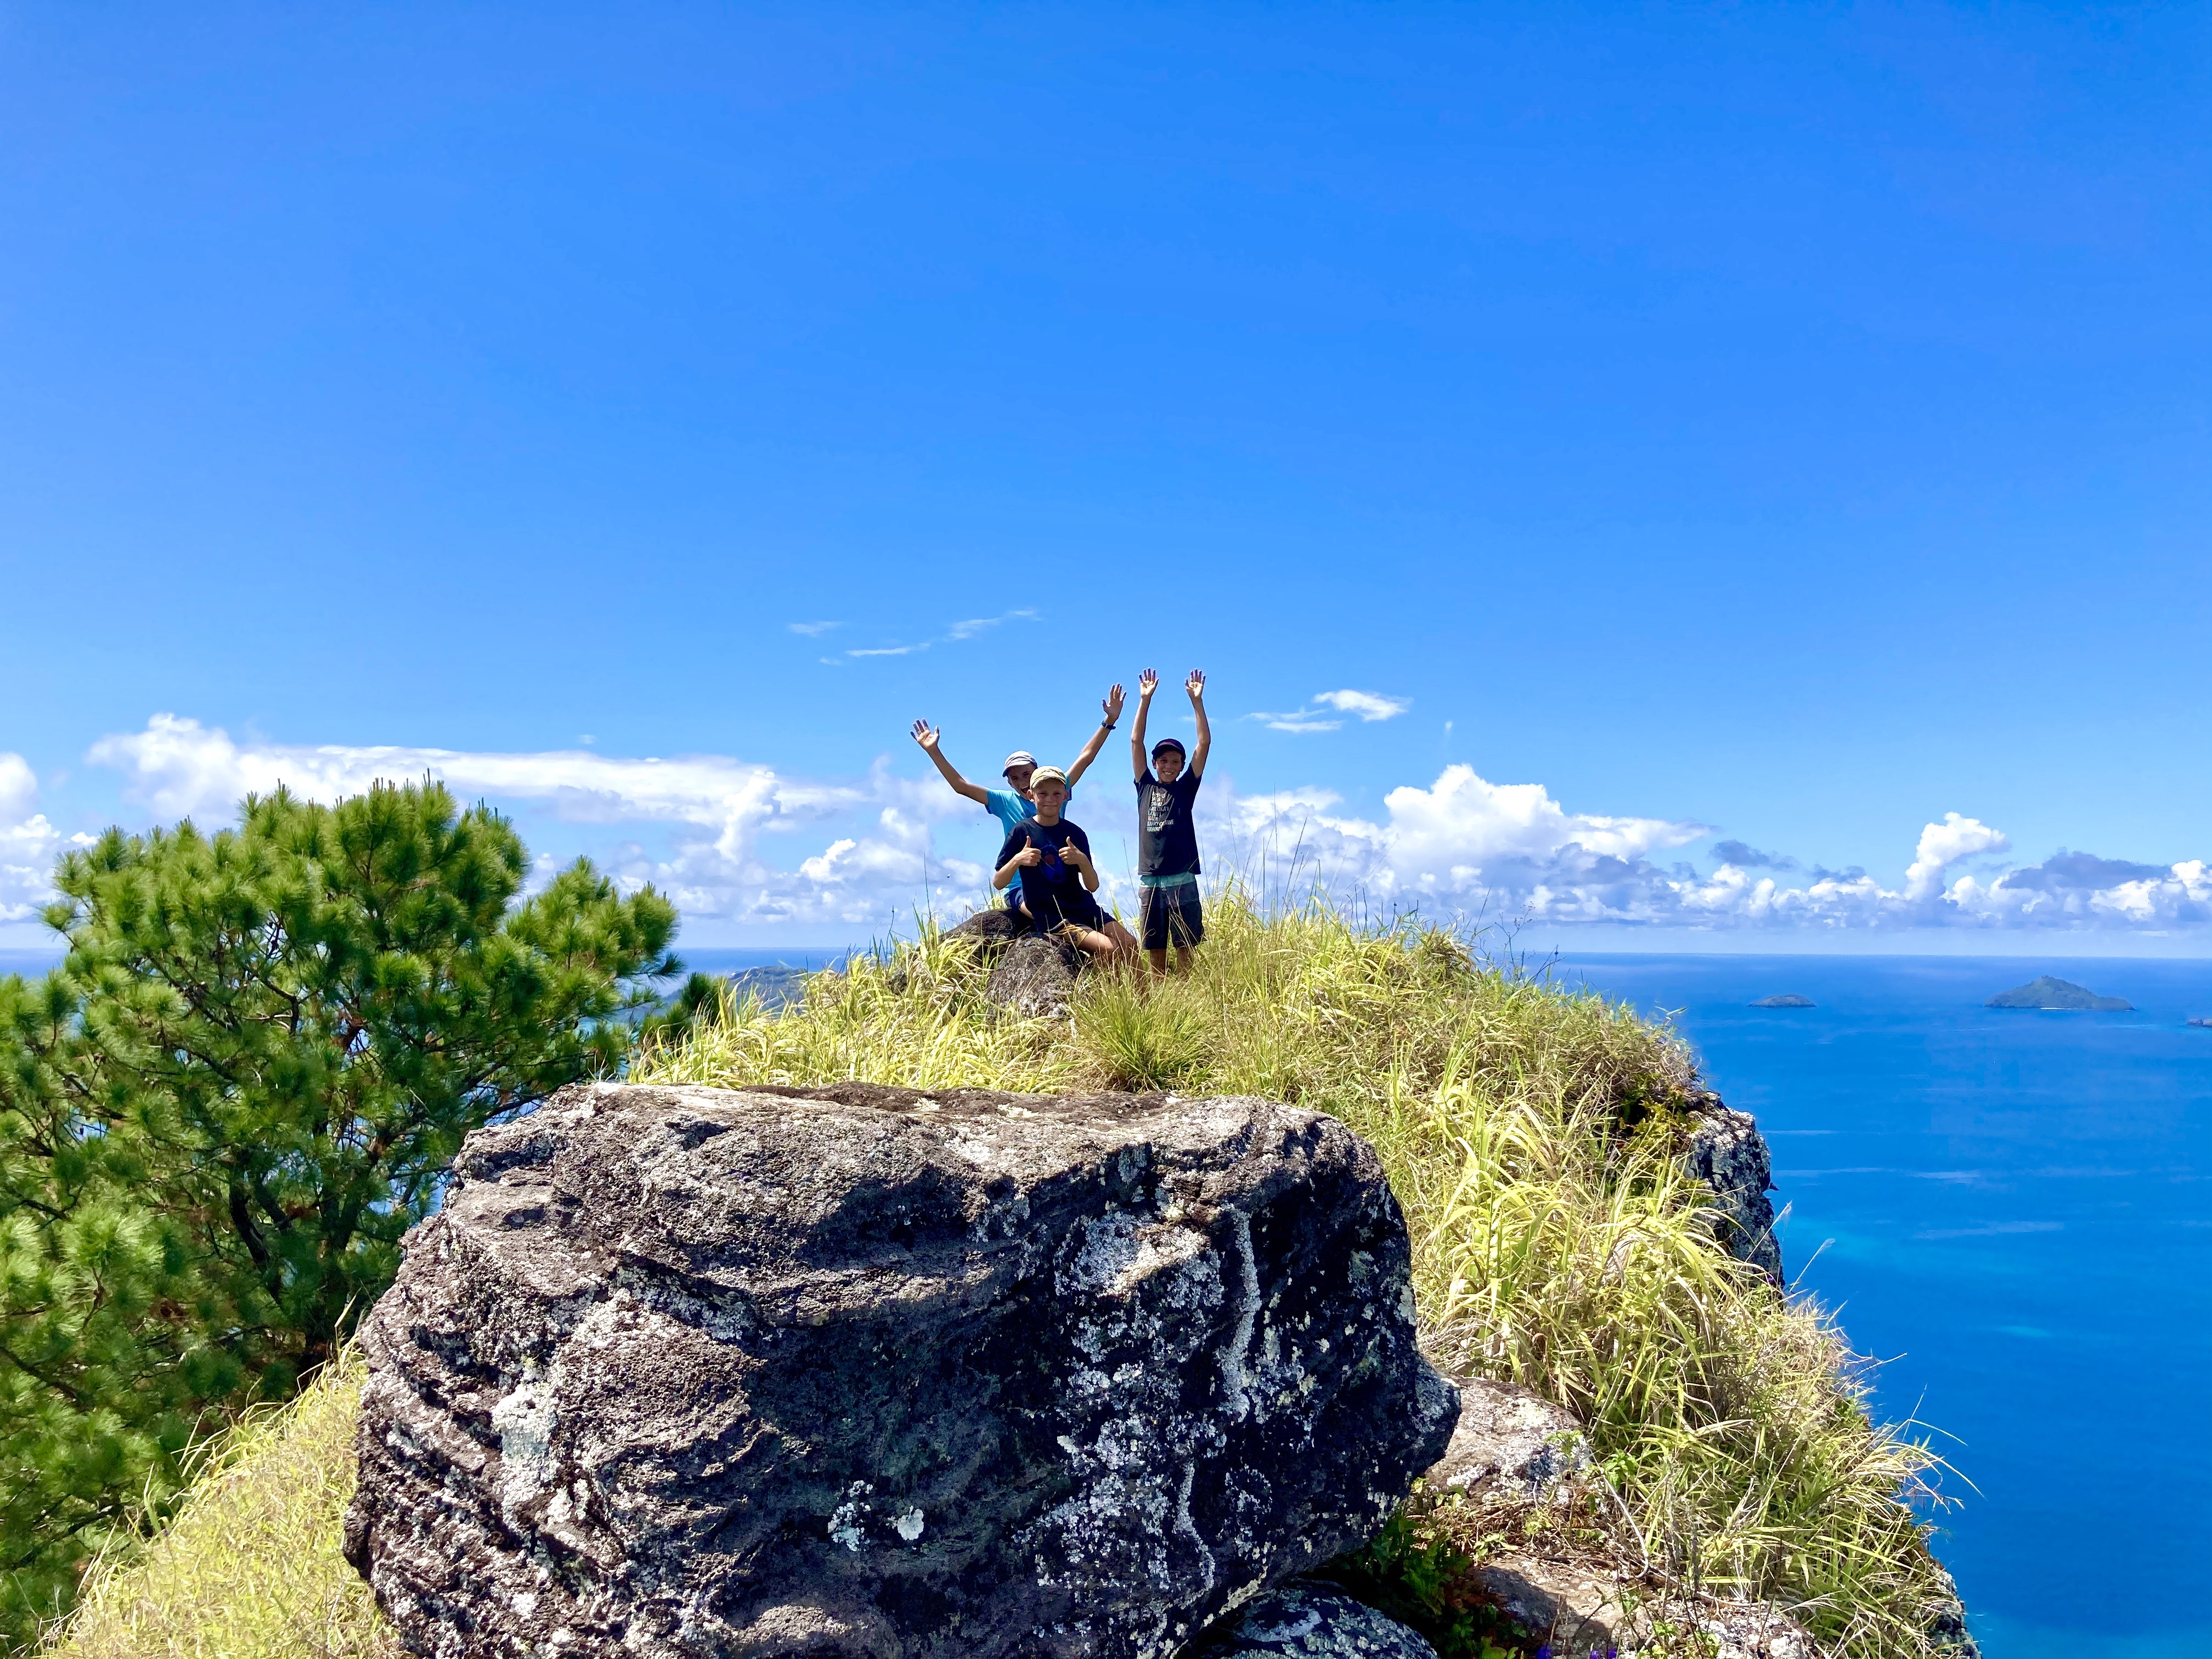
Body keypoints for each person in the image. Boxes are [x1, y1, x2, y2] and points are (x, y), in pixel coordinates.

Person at [992, 768, 1134, 960]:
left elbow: (1093, 886)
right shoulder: (1021, 831)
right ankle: (1111, 989)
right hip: (1053, 917)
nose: (1050, 799)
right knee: (1109, 948)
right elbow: (999, 882)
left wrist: (1082, 860)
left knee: (1130, 944)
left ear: (1066, 796)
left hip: (1084, 908)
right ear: (1031, 796)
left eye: (1057, 793)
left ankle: (1140, 992)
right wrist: (1018, 859)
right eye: (1043, 794)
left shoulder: (1075, 833)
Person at [1130, 667, 1210, 975]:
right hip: (1151, 880)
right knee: (1156, 953)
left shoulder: (1186, 787)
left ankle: (1188, 1000)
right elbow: (1136, 742)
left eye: (1175, 761)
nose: (1169, 765)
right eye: (1163, 760)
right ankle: (1163, 1006)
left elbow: (1203, 744)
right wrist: (1145, 701)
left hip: (1182, 878)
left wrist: (1197, 702)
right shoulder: (1145, 786)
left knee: (1186, 948)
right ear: (1155, 763)